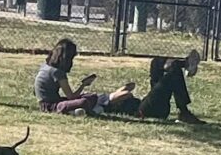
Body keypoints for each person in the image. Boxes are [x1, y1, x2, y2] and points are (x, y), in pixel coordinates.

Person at [34, 38, 205, 124]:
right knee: (172, 72)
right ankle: (183, 108)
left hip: (146, 104)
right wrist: (122, 93)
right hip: (145, 111)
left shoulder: (47, 69)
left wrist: (118, 91)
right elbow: (115, 98)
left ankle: (185, 66)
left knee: (156, 62)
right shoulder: (97, 103)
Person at [34, 39, 134, 117]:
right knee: (84, 101)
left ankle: (80, 110)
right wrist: (83, 85)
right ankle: (101, 107)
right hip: (52, 106)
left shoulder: (45, 66)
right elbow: (71, 97)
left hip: (52, 102)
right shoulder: (57, 73)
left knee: (89, 97)